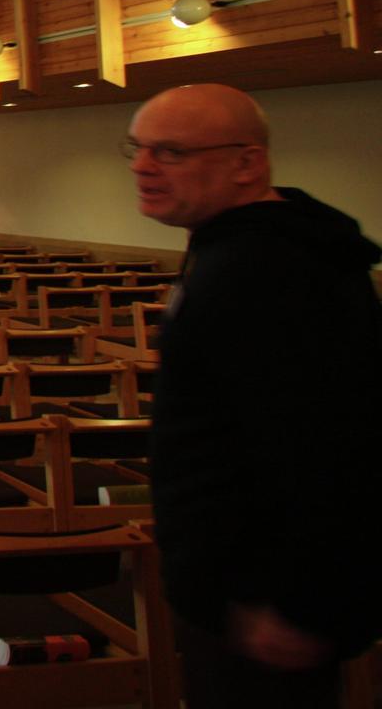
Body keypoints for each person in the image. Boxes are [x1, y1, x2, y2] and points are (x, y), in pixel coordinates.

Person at [127, 83, 382, 708]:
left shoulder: (272, 272)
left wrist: (299, 603)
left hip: (267, 603)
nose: (142, 166)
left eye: (171, 152)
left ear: (247, 162)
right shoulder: (240, 251)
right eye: (136, 149)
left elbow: (331, 444)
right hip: (236, 592)